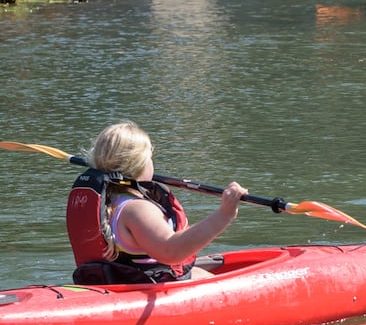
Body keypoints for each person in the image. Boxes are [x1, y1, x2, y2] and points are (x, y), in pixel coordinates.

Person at [66, 121, 248, 285]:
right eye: (149, 159)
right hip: (145, 289)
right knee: (213, 280)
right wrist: (224, 214)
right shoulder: (137, 209)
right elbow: (171, 251)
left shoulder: (108, 202)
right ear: (139, 164)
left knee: (201, 272)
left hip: (115, 284)